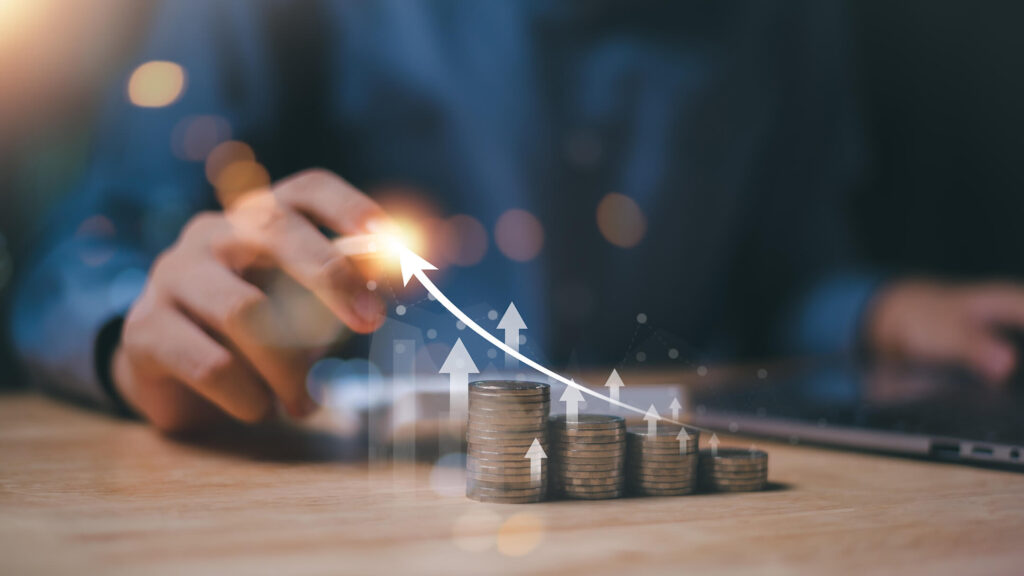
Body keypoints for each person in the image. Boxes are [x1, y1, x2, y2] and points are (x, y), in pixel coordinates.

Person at [9, 0, 1022, 433]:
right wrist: (140, 329)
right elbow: (87, 246)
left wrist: (880, 311)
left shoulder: (777, 18)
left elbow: (778, 269)